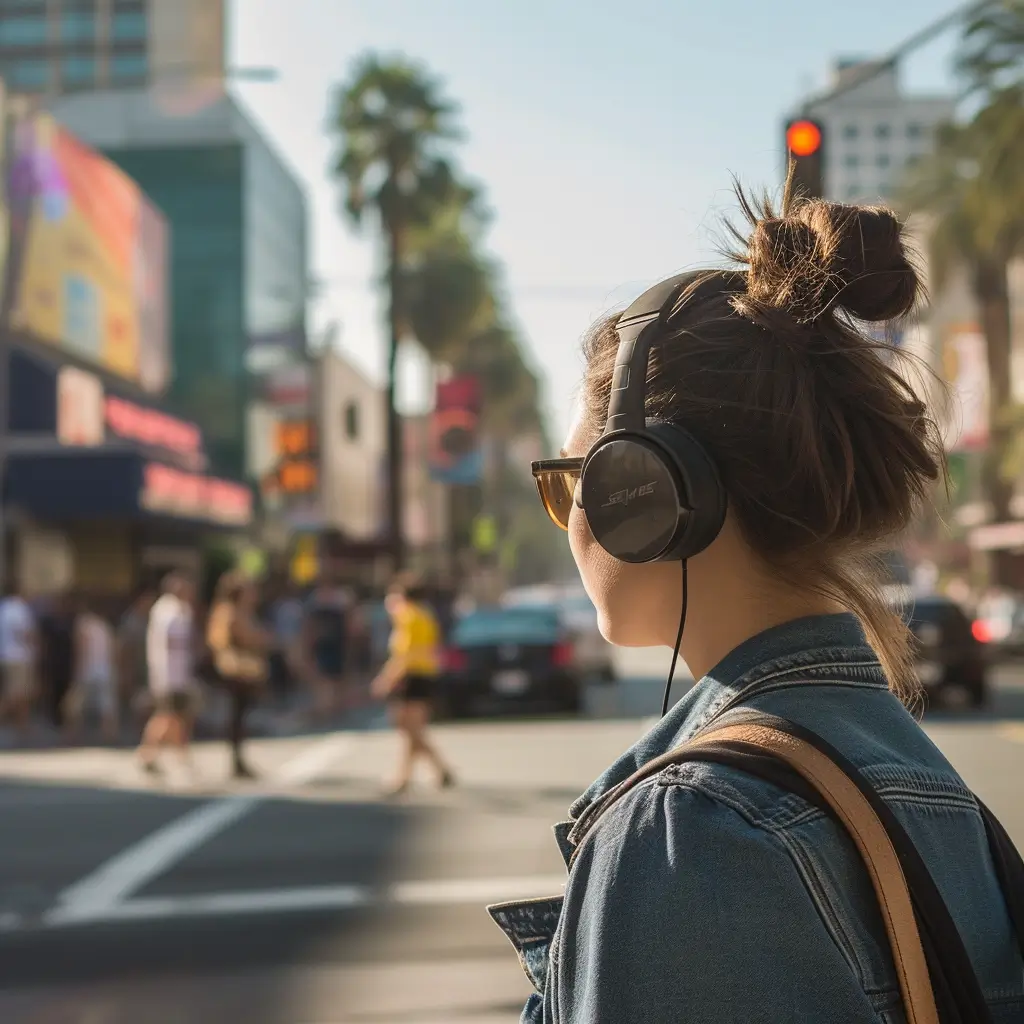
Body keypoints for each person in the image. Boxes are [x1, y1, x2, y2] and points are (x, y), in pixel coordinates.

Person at [502, 188, 1023, 1021]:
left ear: (642, 494)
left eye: (574, 483)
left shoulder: (692, 831)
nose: (570, 524)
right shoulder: (933, 787)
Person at [371, 575, 454, 797]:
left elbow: (404, 655)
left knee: (410, 727)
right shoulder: (424, 615)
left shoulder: (408, 616)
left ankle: (405, 776)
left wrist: (386, 679)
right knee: (410, 728)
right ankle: (436, 770)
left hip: (412, 675)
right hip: (422, 674)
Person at [207, 571, 269, 780]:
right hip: (234, 673)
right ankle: (236, 761)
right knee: (235, 717)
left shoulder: (244, 612)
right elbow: (221, 643)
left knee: (240, 717)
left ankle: (239, 761)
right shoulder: (227, 613)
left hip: (245, 672)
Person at [138, 573, 197, 779]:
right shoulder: (165, 610)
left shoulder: (183, 610)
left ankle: (164, 754)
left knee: (176, 716)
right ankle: (153, 754)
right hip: (168, 675)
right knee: (168, 715)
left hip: (180, 674)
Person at [303, 574, 358, 718]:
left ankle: (335, 706)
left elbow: (349, 619)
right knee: (324, 674)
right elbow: (310, 623)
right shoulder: (315, 598)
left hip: (338, 640)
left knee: (337, 674)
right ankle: (328, 706)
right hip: (323, 642)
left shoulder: (342, 597)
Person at [63, 602, 118, 743]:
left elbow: (81, 649)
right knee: (106, 705)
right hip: (105, 670)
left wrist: (77, 670)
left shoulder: (83, 624)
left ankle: (71, 736)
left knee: (74, 705)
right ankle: (109, 735)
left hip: (87, 669)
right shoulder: (104, 625)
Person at [0, 582, 37, 737]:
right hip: (19, 657)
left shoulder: (4, 607)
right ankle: (21, 727)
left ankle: (22, 728)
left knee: (21, 694)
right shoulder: (19, 609)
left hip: (6, 656)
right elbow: (24, 633)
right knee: (16, 695)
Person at [117, 586, 156, 724]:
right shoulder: (131, 622)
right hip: (135, 669)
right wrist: (125, 672)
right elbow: (125, 648)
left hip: (148, 670)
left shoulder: (151, 620)